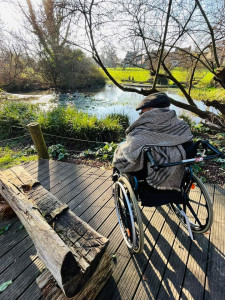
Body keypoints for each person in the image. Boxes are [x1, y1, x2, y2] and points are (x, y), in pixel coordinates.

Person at [112, 92, 193, 191]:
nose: (141, 114)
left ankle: (116, 179)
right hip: (178, 166)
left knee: (120, 151)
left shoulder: (141, 132)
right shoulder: (182, 126)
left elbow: (131, 152)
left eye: (142, 112)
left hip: (149, 170)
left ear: (151, 111)